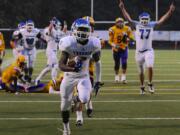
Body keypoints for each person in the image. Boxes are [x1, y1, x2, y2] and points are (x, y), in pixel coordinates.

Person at [119, 0, 175, 94]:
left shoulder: (151, 24)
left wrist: (170, 12)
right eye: (143, 19)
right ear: (140, 19)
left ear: (148, 19)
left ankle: (150, 83)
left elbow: (162, 20)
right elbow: (128, 18)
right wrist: (122, 8)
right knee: (141, 72)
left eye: (146, 19)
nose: (144, 21)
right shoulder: (137, 24)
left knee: (150, 66)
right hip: (138, 52)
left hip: (148, 50)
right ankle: (142, 86)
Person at [58, 18, 101, 135]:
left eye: (85, 30)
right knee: (64, 106)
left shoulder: (94, 43)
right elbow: (61, 65)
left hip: (83, 76)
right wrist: (72, 68)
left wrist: (98, 81)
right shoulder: (68, 43)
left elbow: (97, 62)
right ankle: (66, 129)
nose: (83, 32)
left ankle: (75, 99)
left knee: (85, 99)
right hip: (69, 76)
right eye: (80, 29)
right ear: (74, 30)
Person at [35, 17, 67, 85]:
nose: (59, 26)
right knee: (56, 65)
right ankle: (53, 79)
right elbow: (49, 30)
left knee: (49, 68)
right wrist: (51, 23)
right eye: (58, 24)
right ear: (54, 24)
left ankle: (37, 79)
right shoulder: (49, 29)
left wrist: (65, 26)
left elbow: (63, 32)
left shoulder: (56, 31)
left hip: (54, 51)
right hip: (50, 50)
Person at [108, 17, 134, 83]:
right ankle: (116, 76)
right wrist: (114, 45)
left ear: (123, 22)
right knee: (117, 63)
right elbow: (110, 41)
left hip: (124, 48)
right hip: (115, 49)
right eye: (118, 22)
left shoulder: (127, 28)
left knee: (124, 62)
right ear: (116, 23)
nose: (120, 23)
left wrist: (128, 39)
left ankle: (123, 77)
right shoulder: (112, 29)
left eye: (121, 22)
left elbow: (131, 37)